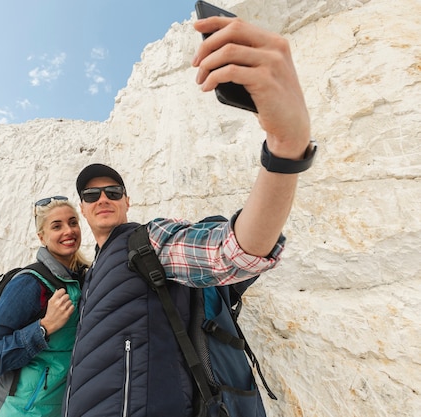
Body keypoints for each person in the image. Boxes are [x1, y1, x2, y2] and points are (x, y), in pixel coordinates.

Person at [63, 15, 317, 417]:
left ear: (127, 201)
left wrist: (286, 148)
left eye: (113, 191)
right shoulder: (89, 276)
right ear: (83, 208)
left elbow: (232, 253)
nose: (103, 199)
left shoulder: (147, 241)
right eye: (91, 194)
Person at [0, 196, 89, 417]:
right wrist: (43, 328)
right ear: (42, 237)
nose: (68, 231)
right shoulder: (30, 284)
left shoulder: (83, 279)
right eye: (56, 226)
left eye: (73, 222)